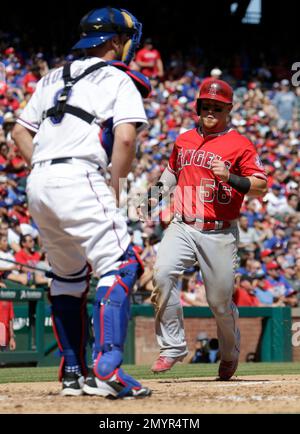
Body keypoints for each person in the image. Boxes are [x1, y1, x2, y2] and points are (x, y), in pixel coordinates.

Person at [12, 6, 152, 399]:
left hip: (39, 181)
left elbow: (19, 134)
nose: (129, 47)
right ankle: (107, 369)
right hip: (81, 176)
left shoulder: (51, 76)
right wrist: (114, 184)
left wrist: (44, 168)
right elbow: (125, 139)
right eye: (125, 40)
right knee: (121, 265)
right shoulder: (118, 79)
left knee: (68, 279)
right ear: (113, 41)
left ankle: (72, 373)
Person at [140, 78, 268, 380]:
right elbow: (171, 173)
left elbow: (261, 187)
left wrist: (232, 177)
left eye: (217, 107)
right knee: (161, 274)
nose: (210, 110)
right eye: (205, 105)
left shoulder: (241, 144)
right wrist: (151, 200)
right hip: (183, 224)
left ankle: (229, 352)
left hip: (220, 231)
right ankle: (172, 347)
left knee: (219, 302)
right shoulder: (183, 139)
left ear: (229, 109)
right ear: (198, 107)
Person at [0, 285, 16, 352]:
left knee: (3, 361)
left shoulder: (7, 297)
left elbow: (10, 319)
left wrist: (12, 338)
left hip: (4, 339)